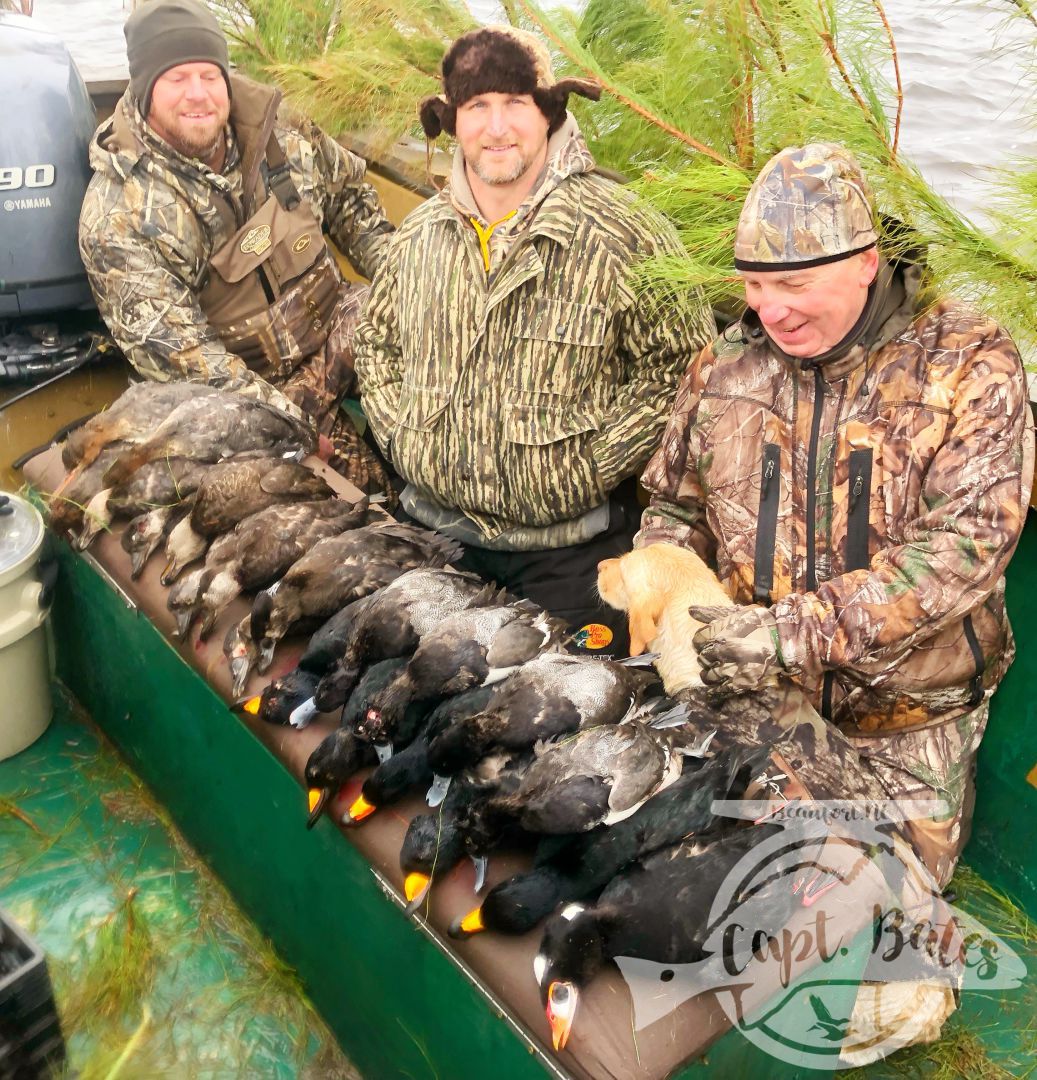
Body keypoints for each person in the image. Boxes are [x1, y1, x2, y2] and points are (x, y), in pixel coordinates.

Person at [637, 142, 1034, 888]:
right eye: (753, 282)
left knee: (856, 915)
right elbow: (670, 506)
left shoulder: (967, 363)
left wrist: (788, 634)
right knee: (667, 876)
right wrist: (669, 591)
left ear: (864, 261)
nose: (770, 309)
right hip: (747, 695)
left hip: (903, 723)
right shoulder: (724, 365)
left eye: (794, 281)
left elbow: (966, 547)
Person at [354, 26, 715, 656]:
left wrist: (587, 464)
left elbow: (682, 365)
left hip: (568, 557)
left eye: (516, 104)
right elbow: (377, 346)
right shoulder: (417, 238)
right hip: (430, 535)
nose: (497, 128)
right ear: (452, 121)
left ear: (549, 112)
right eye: (476, 108)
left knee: (557, 730)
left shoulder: (623, 232)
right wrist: (405, 433)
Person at [79, 0, 395, 494]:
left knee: (445, 409)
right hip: (253, 393)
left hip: (343, 322)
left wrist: (412, 287)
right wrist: (296, 427)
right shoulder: (120, 215)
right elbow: (188, 363)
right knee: (366, 500)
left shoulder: (282, 129)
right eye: (177, 78)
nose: (198, 95)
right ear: (143, 89)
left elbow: (353, 204)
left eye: (209, 75)